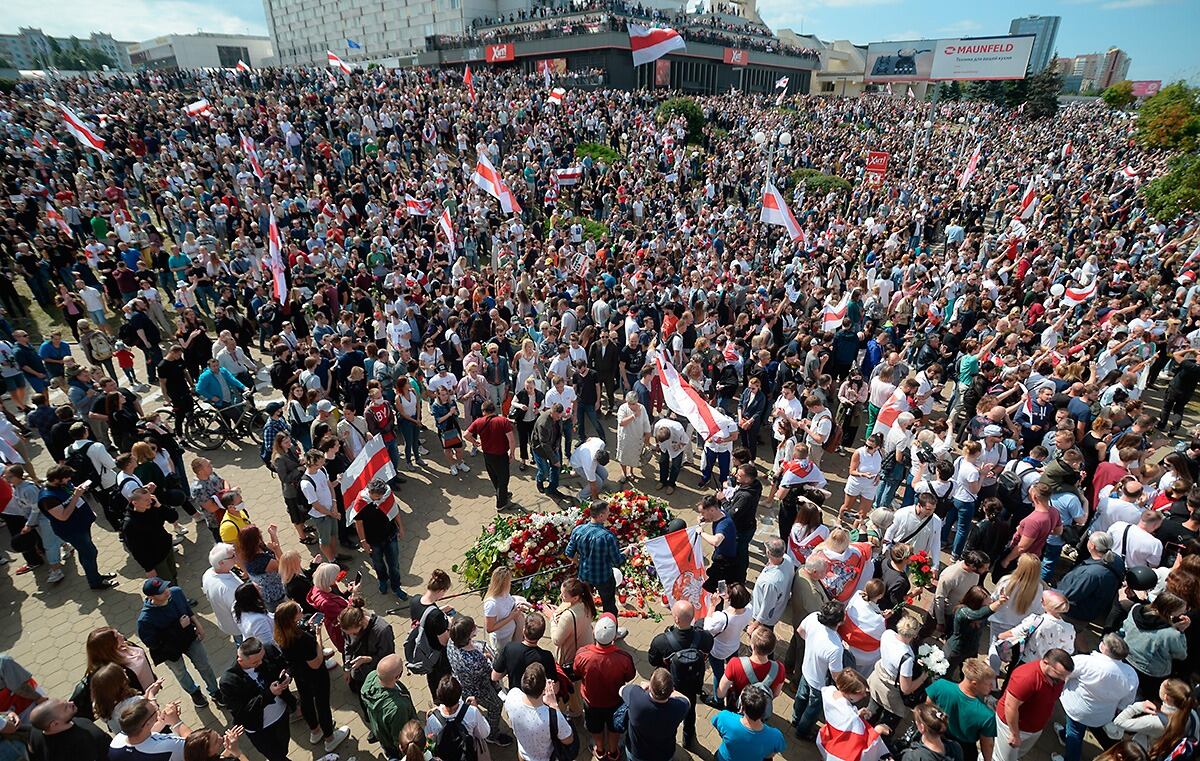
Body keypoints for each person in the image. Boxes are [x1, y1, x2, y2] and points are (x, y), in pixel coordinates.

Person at [273, 601, 351, 753]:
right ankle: (330, 738)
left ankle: (315, 732)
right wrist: (317, 635)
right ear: (293, 619)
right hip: (316, 675)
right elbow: (316, 662)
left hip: (300, 675)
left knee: (306, 700)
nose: (303, 612)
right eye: (300, 611)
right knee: (322, 705)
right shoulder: (305, 638)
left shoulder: (281, 634)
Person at [136, 577, 223, 709]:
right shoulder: (145, 620)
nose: (166, 591)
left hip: (189, 639)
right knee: (181, 673)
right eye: (161, 591)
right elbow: (153, 643)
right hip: (170, 651)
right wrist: (178, 626)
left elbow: (186, 609)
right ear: (151, 597)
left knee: (204, 665)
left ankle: (215, 691)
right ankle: (194, 693)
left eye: (165, 587)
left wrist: (197, 624)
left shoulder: (176, 592)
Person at [1057, 633, 1139, 761]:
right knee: (1075, 727)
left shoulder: (1086, 661)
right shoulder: (1131, 675)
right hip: (1103, 714)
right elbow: (1126, 702)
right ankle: (1064, 735)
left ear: (1104, 648)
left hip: (1077, 707)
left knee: (1075, 733)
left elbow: (1065, 673)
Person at [37, 464, 116, 590]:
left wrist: (78, 490)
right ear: (56, 479)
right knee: (90, 552)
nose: (69, 480)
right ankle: (95, 582)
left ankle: (95, 576)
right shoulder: (48, 497)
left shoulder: (62, 484)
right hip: (73, 530)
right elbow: (63, 516)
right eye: (66, 478)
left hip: (82, 524)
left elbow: (72, 494)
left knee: (85, 553)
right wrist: (75, 496)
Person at [218, 638, 296, 761]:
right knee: (276, 757)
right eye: (255, 662)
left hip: (282, 714)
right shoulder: (229, 681)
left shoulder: (268, 650)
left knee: (283, 748)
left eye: (262, 658)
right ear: (240, 660)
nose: (261, 662)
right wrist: (268, 694)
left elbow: (287, 664)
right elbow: (241, 714)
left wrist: (287, 675)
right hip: (260, 728)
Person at [572, 612, 636, 760]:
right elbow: (630, 676)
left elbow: (577, 672)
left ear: (594, 632)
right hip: (615, 701)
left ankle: (599, 750)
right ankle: (613, 752)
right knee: (614, 727)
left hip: (591, 701)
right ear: (614, 637)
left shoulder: (582, 654)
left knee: (595, 727)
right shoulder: (624, 658)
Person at [993, 649, 1075, 761]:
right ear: (1045, 662)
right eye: (1057, 677)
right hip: (1013, 727)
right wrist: (1014, 734)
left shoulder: (1058, 677)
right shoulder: (1026, 678)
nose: (1061, 680)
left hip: (1034, 728)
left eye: (1064, 677)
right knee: (1002, 758)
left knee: (1018, 754)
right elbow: (1010, 706)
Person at [446, 616, 512, 747]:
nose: (476, 627)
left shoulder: (451, 643)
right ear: (467, 636)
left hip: (462, 684)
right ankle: (492, 735)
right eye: (473, 628)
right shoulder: (476, 659)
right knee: (496, 705)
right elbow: (493, 674)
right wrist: (489, 658)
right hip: (479, 689)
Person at [792, 600, 847, 741]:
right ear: (839, 622)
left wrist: (812, 643)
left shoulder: (813, 617)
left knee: (801, 697)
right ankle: (802, 732)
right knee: (812, 710)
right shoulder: (836, 646)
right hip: (819, 683)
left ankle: (795, 719)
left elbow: (800, 631)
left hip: (806, 669)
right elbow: (836, 674)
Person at [564, 499, 627, 620]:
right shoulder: (607, 536)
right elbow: (617, 560)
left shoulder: (578, 530)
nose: (609, 514)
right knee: (609, 605)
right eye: (608, 512)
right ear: (601, 515)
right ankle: (609, 630)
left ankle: (586, 625)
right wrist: (628, 552)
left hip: (584, 576)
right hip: (603, 577)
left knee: (585, 603)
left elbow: (569, 553)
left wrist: (579, 562)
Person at [926, 657, 998, 761]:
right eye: (989, 684)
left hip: (935, 739)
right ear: (974, 683)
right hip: (964, 751)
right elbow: (987, 745)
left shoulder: (940, 686)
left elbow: (927, 712)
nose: (992, 687)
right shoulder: (987, 715)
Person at [1121, 592, 1190, 699]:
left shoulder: (1136, 609)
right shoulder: (1171, 634)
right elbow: (1181, 654)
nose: (1185, 611)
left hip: (1126, 657)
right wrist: (1180, 631)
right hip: (1150, 671)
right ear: (1171, 610)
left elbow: (1126, 626)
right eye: (1183, 609)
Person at [349, 479, 409, 600]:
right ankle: (382, 580)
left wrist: (401, 527)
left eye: (379, 497)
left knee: (394, 565)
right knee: (378, 563)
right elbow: (359, 523)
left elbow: (394, 510)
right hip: (373, 540)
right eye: (375, 497)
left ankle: (396, 586)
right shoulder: (361, 501)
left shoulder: (387, 495)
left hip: (390, 536)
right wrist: (363, 541)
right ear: (369, 492)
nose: (378, 499)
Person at [620, 668, 690, 761]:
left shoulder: (635, 696)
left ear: (650, 687)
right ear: (672, 690)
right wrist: (671, 693)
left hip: (637, 752)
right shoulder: (679, 707)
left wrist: (645, 687)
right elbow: (687, 700)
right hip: (664, 754)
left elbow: (621, 690)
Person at [360, 653, 418, 759]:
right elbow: (400, 737)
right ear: (398, 676)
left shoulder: (371, 676)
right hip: (394, 745)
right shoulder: (398, 708)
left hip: (380, 730)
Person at [711, 682, 787, 761]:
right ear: (764, 710)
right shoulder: (776, 736)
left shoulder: (724, 717)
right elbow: (770, 755)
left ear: (742, 708)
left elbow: (718, 728)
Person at [464, 399, 517, 510]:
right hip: (501, 454)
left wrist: (474, 442)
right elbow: (511, 440)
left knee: (494, 476)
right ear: (494, 410)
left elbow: (466, 435)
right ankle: (501, 504)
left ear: (483, 411)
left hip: (488, 455)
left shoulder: (478, 422)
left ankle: (501, 493)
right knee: (503, 478)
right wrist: (512, 453)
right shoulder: (503, 421)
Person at [410, 568, 454, 699]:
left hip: (423, 649)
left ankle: (435, 697)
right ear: (441, 591)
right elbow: (444, 641)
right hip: (436, 654)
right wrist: (449, 624)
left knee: (431, 677)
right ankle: (443, 699)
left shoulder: (415, 600)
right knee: (441, 678)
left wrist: (440, 610)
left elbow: (422, 617)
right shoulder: (436, 616)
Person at [107, 696, 191, 760]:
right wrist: (176, 722)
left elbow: (142, 732)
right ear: (148, 723)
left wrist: (162, 722)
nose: (158, 710)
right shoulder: (168, 745)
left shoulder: (115, 743)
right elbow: (196, 743)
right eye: (155, 710)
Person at [425, 675, 491, 758]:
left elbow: (429, 742)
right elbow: (485, 733)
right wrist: (476, 707)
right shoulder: (472, 712)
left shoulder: (432, 720)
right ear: (460, 692)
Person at [28, 698, 111, 761]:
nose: (71, 702)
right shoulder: (90, 733)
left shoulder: (35, 732)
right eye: (65, 708)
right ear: (55, 724)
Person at [202, 543, 245, 645]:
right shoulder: (230, 589)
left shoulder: (208, 573)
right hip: (240, 628)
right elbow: (242, 612)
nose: (236, 557)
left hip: (226, 623)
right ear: (221, 563)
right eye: (232, 556)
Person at [615, 391, 651, 483]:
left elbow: (646, 424)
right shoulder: (623, 408)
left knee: (634, 457)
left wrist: (647, 437)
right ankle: (623, 472)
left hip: (637, 437)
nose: (631, 406)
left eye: (633, 404)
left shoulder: (642, 408)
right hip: (625, 438)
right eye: (629, 403)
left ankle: (630, 472)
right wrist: (634, 415)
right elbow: (621, 422)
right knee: (623, 456)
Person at [570, 436, 610, 503]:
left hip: (582, 457)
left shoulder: (601, 443)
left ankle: (595, 490)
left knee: (604, 474)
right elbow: (592, 483)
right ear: (597, 460)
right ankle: (581, 496)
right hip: (578, 464)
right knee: (598, 483)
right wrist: (596, 499)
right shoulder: (589, 464)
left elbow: (589, 438)